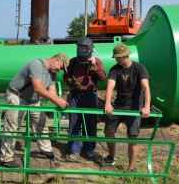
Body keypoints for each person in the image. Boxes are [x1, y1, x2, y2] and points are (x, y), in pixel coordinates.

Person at [0, 53, 70, 168]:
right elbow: (37, 88)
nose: (60, 70)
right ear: (56, 60)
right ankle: (6, 159)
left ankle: (46, 149)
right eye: (61, 67)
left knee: (41, 122)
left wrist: (60, 101)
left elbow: (52, 92)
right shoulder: (37, 65)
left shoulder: (52, 74)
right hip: (17, 96)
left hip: (33, 99)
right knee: (12, 127)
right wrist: (56, 101)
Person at [104, 43, 151, 172]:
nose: (117, 60)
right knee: (108, 130)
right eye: (116, 57)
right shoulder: (115, 69)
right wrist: (108, 103)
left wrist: (146, 107)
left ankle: (131, 168)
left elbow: (145, 88)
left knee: (132, 135)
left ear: (126, 55)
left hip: (135, 106)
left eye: (119, 57)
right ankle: (112, 157)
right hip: (119, 104)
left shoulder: (139, 68)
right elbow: (110, 86)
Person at [63, 37, 106, 159]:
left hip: (90, 95)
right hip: (75, 95)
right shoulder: (73, 61)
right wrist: (70, 81)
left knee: (90, 123)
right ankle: (74, 150)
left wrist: (94, 68)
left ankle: (88, 149)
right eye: (80, 48)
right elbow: (66, 75)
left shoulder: (96, 61)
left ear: (90, 49)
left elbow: (102, 77)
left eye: (84, 48)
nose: (81, 51)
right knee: (74, 123)